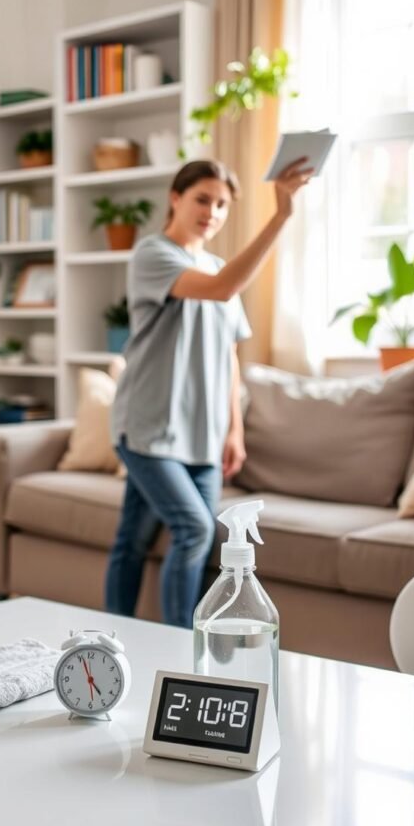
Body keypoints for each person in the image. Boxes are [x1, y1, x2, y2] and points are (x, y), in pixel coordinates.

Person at [105, 156, 313, 629]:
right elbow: (220, 289)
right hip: (147, 427)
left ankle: (118, 638)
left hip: (202, 436)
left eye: (222, 205)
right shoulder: (153, 255)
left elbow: (229, 355)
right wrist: (281, 214)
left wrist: (234, 429)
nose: (212, 212)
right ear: (175, 198)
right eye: (203, 199)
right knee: (194, 528)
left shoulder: (219, 264)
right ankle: (179, 645)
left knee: (134, 539)